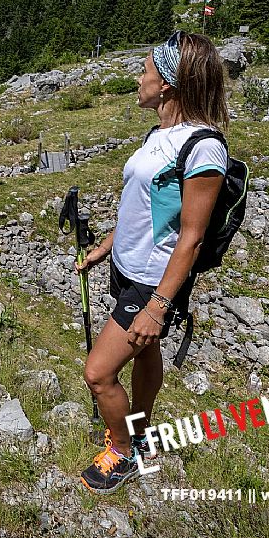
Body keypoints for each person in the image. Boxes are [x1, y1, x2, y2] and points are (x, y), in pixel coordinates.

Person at [76, 30, 229, 494]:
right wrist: (107, 244)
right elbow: (147, 206)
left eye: (145, 70)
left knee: (99, 373)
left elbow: (192, 236)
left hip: (153, 281)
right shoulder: (158, 134)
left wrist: (158, 306)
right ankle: (141, 434)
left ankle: (122, 451)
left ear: (167, 83)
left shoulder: (204, 147)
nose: (137, 79)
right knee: (146, 352)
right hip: (128, 267)